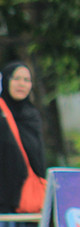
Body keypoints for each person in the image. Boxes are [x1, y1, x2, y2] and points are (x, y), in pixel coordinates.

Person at [0, 62, 47, 214]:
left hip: (29, 197)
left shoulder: (32, 115)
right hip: (4, 197)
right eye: (16, 78)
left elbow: (38, 158)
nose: (22, 84)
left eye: (27, 80)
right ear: (6, 80)